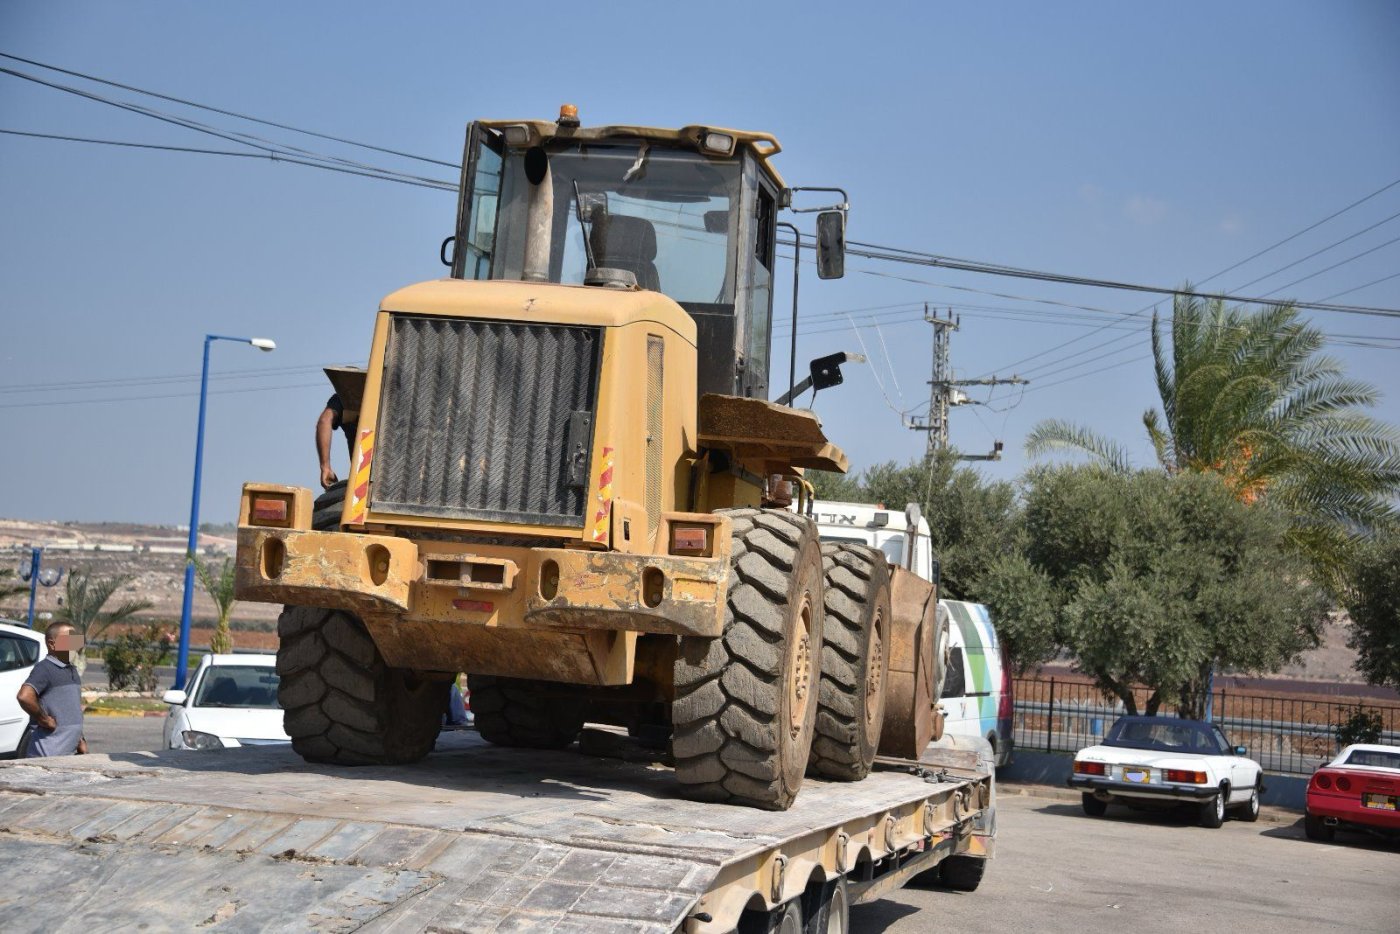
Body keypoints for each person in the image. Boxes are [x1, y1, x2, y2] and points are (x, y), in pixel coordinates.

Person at [17, 623, 87, 757]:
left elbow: (73, 709)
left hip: (68, 754)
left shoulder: (71, 670)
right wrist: (44, 719)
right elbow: (24, 696)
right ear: (52, 644)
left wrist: (81, 740)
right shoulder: (45, 668)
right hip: (48, 755)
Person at [316, 366, 365, 490]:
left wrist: (325, 467)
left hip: (362, 475)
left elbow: (324, 420)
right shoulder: (341, 400)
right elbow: (324, 421)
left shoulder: (341, 399)